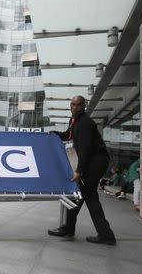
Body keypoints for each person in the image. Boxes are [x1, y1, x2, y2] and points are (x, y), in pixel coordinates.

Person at [48, 95, 116, 245]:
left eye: (78, 105)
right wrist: (54, 134)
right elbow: (68, 135)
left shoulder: (85, 123)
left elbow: (84, 150)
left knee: (77, 195)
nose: (74, 107)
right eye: (72, 104)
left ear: (84, 106)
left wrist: (78, 171)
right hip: (92, 161)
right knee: (90, 198)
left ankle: (68, 228)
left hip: (96, 162)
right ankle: (106, 234)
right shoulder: (74, 121)